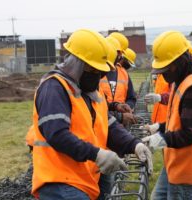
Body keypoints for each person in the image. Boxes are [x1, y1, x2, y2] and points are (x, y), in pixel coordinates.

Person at [31, 29, 152, 200]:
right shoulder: (55, 88)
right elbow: (57, 134)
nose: (99, 77)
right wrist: (97, 154)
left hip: (83, 179)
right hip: (60, 182)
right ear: (79, 64)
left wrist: (134, 144)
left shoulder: (90, 92)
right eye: (95, 71)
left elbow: (108, 126)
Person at [142, 31, 192, 200]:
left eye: (166, 68)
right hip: (175, 163)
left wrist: (159, 139)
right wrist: (158, 127)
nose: (163, 73)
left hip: (187, 168)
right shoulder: (181, 79)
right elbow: (176, 120)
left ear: (180, 62)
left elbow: (190, 134)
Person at [99, 34, 137, 127]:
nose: (119, 56)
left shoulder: (123, 73)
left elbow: (131, 97)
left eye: (121, 53)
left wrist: (125, 108)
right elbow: (97, 107)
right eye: (118, 53)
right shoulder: (96, 73)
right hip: (102, 124)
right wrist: (119, 116)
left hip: (119, 125)